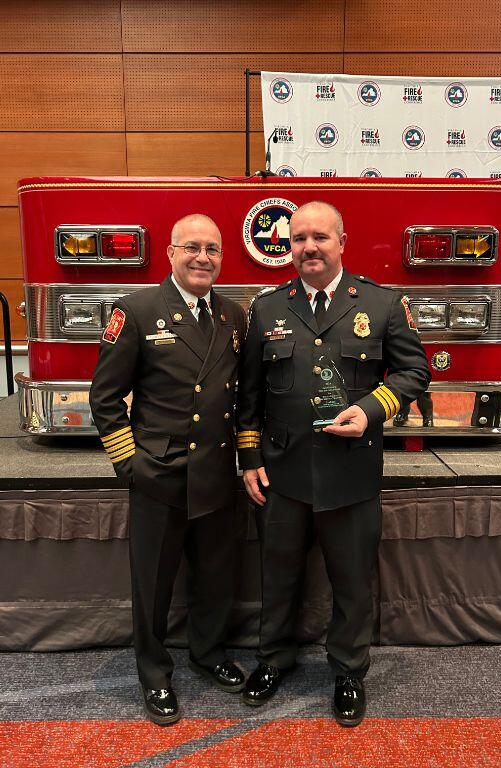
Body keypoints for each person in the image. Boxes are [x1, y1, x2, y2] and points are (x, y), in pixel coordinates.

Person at [235, 201, 430, 727]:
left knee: (351, 582)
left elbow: (414, 372)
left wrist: (372, 410)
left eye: (319, 237)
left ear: (342, 241)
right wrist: (249, 457)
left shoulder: (383, 303)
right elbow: (249, 395)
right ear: (289, 248)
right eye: (298, 239)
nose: (308, 248)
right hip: (283, 473)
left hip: (351, 472)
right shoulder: (268, 308)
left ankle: (348, 671)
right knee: (277, 576)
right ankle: (273, 659)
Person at [90, 213, 249, 726]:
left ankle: (207, 653)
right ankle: (154, 674)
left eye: (213, 250)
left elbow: (241, 396)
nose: (203, 258)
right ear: (171, 254)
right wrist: (129, 464)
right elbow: (106, 397)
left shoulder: (233, 315)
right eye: (192, 248)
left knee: (216, 577)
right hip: (160, 474)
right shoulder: (136, 310)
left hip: (218, 472)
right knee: (153, 584)